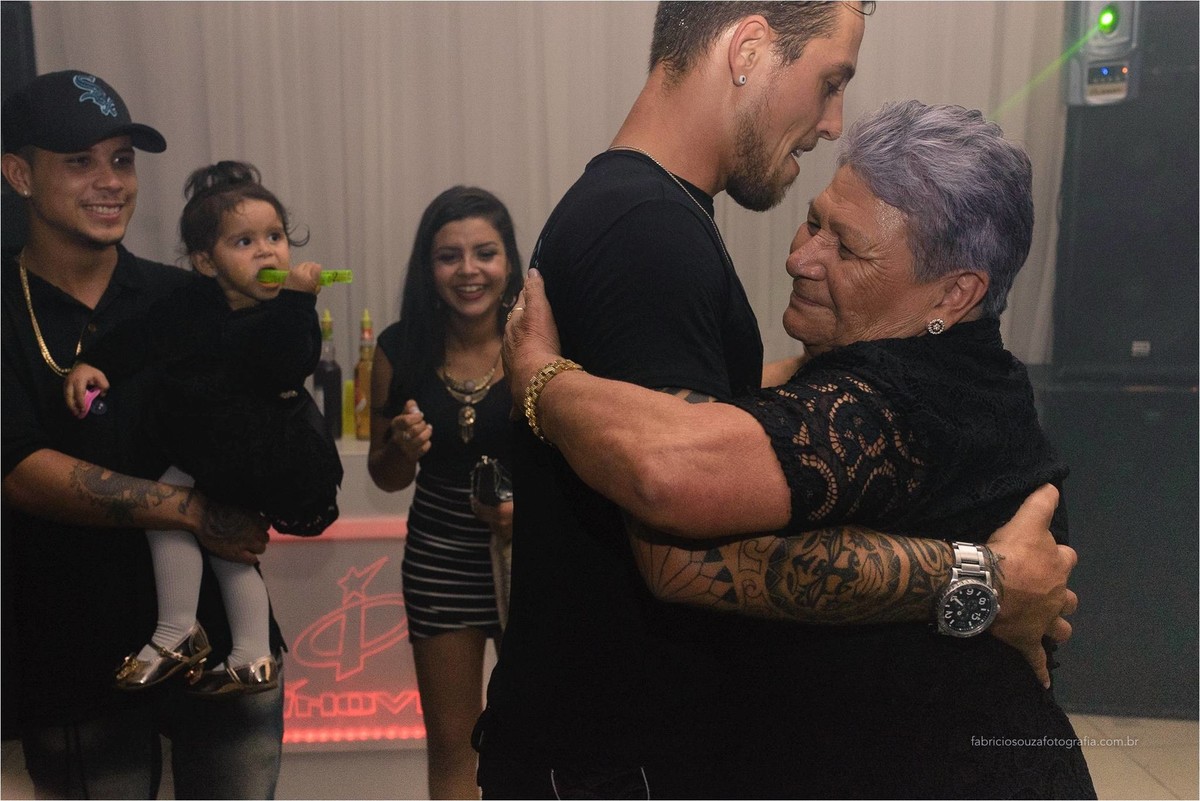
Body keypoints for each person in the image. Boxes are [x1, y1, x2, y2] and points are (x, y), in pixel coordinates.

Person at [475, 4, 1078, 798]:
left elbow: (680, 518)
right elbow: (754, 407)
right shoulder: (666, 237)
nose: (800, 256)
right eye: (813, 224)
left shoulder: (903, 402)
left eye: (847, 246)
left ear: (954, 292)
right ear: (748, 48)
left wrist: (543, 381)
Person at [2, 70, 283, 798]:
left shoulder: (187, 296)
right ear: (18, 173)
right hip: (77, 656)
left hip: (224, 652)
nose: (110, 181)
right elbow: (21, 469)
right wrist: (191, 510)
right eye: (80, 160)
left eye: (122, 159)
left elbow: (259, 429)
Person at [62, 160, 343, 696]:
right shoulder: (191, 305)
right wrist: (94, 364)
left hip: (266, 450)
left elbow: (291, 361)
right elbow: (141, 337)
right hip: (216, 449)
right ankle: (252, 656)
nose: (267, 251)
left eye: (275, 237)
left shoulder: (282, 313)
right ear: (205, 262)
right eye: (244, 242)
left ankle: (178, 632)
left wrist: (299, 299)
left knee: (179, 506)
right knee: (219, 542)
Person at [367, 186, 523, 799]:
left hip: (531, 551)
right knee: (455, 747)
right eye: (449, 256)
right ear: (427, 268)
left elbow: (580, 462)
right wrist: (401, 448)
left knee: (534, 735)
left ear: (509, 260)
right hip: (438, 558)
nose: (468, 271)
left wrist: (524, 512)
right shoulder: (398, 348)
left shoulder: (539, 342)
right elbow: (387, 477)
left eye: (484, 253)